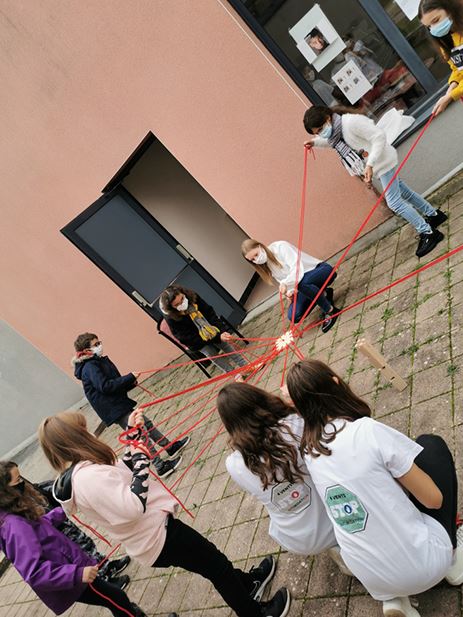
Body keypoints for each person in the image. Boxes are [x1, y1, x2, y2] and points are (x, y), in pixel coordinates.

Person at [38, 410, 291, 617]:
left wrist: (134, 435)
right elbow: (132, 506)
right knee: (217, 567)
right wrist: (141, 462)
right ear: (75, 439)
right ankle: (255, 613)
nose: (89, 432)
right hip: (157, 536)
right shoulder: (88, 478)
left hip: (156, 530)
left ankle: (247, 585)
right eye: (83, 430)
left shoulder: (86, 469)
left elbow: (121, 474)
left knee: (212, 562)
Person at [286, 359, 463, 617]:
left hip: (372, 579)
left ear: (299, 409)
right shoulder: (366, 431)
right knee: (431, 445)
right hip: (425, 565)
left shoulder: (309, 452)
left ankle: (394, 600)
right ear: (336, 383)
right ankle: (453, 560)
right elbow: (434, 500)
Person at [217, 382, 351, 575]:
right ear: (260, 399)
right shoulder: (294, 423)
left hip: (296, 537)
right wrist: (294, 400)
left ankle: (340, 552)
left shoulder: (235, 464)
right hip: (337, 517)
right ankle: (349, 554)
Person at [0, 461, 159, 617]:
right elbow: (35, 572)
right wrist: (77, 574)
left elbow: (38, 530)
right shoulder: (14, 525)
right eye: (18, 481)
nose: (22, 483)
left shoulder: (12, 514)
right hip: (71, 578)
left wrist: (61, 512)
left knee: (116, 600)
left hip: (70, 571)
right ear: (5, 491)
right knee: (118, 599)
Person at [303, 105, 447, 258]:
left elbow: (378, 137)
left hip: (382, 162)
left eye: (320, 130)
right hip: (377, 166)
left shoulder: (351, 123)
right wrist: (314, 143)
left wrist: (370, 164)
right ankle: (434, 215)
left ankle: (428, 232)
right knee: (405, 192)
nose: (321, 134)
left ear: (327, 119)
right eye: (317, 133)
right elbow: (329, 141)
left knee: (394, 203)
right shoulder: (336, 134)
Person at [73, 332, 190, 479]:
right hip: (114, 408)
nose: (100, 346)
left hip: (119, 403)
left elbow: (114, 382)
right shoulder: (90, 366)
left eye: (99, 342)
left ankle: (169, 447)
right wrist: (129, 377)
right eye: (95, 345)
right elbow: (105, 386)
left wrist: (130, 382)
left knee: (146, 423)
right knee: (141, 434)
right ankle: (160, 466)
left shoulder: (97, 361)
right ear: (86, 351)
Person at [33, 477, 131, 587]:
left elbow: (42, 489)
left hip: (60, 520)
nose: (21, 481)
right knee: (81, 553)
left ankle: (106, 565)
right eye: (17, 480)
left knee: (86, 543)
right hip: (52, 531)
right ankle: (104, 579)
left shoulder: (26, 490)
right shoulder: (16, 511)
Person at [241, 238, 340, 333]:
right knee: (294, 316)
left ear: (260, 246)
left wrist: (286, 284)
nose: (256, 259)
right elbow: (283, 281)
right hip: (302, 286)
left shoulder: (280, 247)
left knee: (301, 283)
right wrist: (289, 293)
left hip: (320, 271)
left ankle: (330, 310)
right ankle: (324, 294)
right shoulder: (267, 265)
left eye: (256, 254)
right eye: (252, 260)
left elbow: (297, 270)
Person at [159, 286, 249, 377]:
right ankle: (235, 374)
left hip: (209, 328)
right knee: (211, 354)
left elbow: (209, 314)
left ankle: (246, 366)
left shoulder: (193, 297)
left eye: (182, 298)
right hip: (196, 341)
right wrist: (217, 337)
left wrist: (221, 332)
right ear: (171, 308)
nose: (182, 303)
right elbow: (186, 337)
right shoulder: (171, 317)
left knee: (225, 344)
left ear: (183, 293)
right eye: (177, 304)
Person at [419, 0, 463, 115]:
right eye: (429, 26)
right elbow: (458, 69)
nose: (434, 28)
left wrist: (451, 96)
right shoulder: (446, 41)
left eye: (436, 20)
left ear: (449, 9)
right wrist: (452, 86)